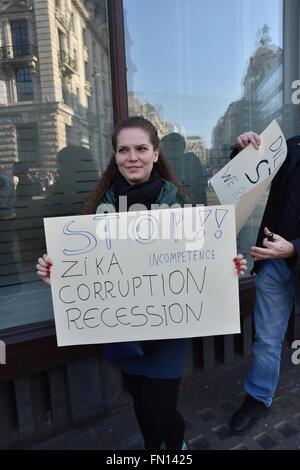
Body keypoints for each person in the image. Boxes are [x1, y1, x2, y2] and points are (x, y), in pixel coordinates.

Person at [36, 116, 247, 450]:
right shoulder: (98, 209)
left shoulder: (180, 203)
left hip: (168, 331)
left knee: (160, 410)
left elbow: (204, 262)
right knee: (141, 405)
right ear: (115, 155)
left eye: (140, 148)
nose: (131, 156)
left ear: (155, 153)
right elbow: (86, 272)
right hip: (124, 331)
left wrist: (227, 268)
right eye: (123, 149)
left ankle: (175, 450)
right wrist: (56, 275)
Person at [230, 130, 300, 434]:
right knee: (267, 338)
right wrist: (244, 152)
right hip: (273, 262)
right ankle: (259, 397)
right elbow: (246, 178)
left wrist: (295, 247)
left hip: (290, 253)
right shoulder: (292, 145)